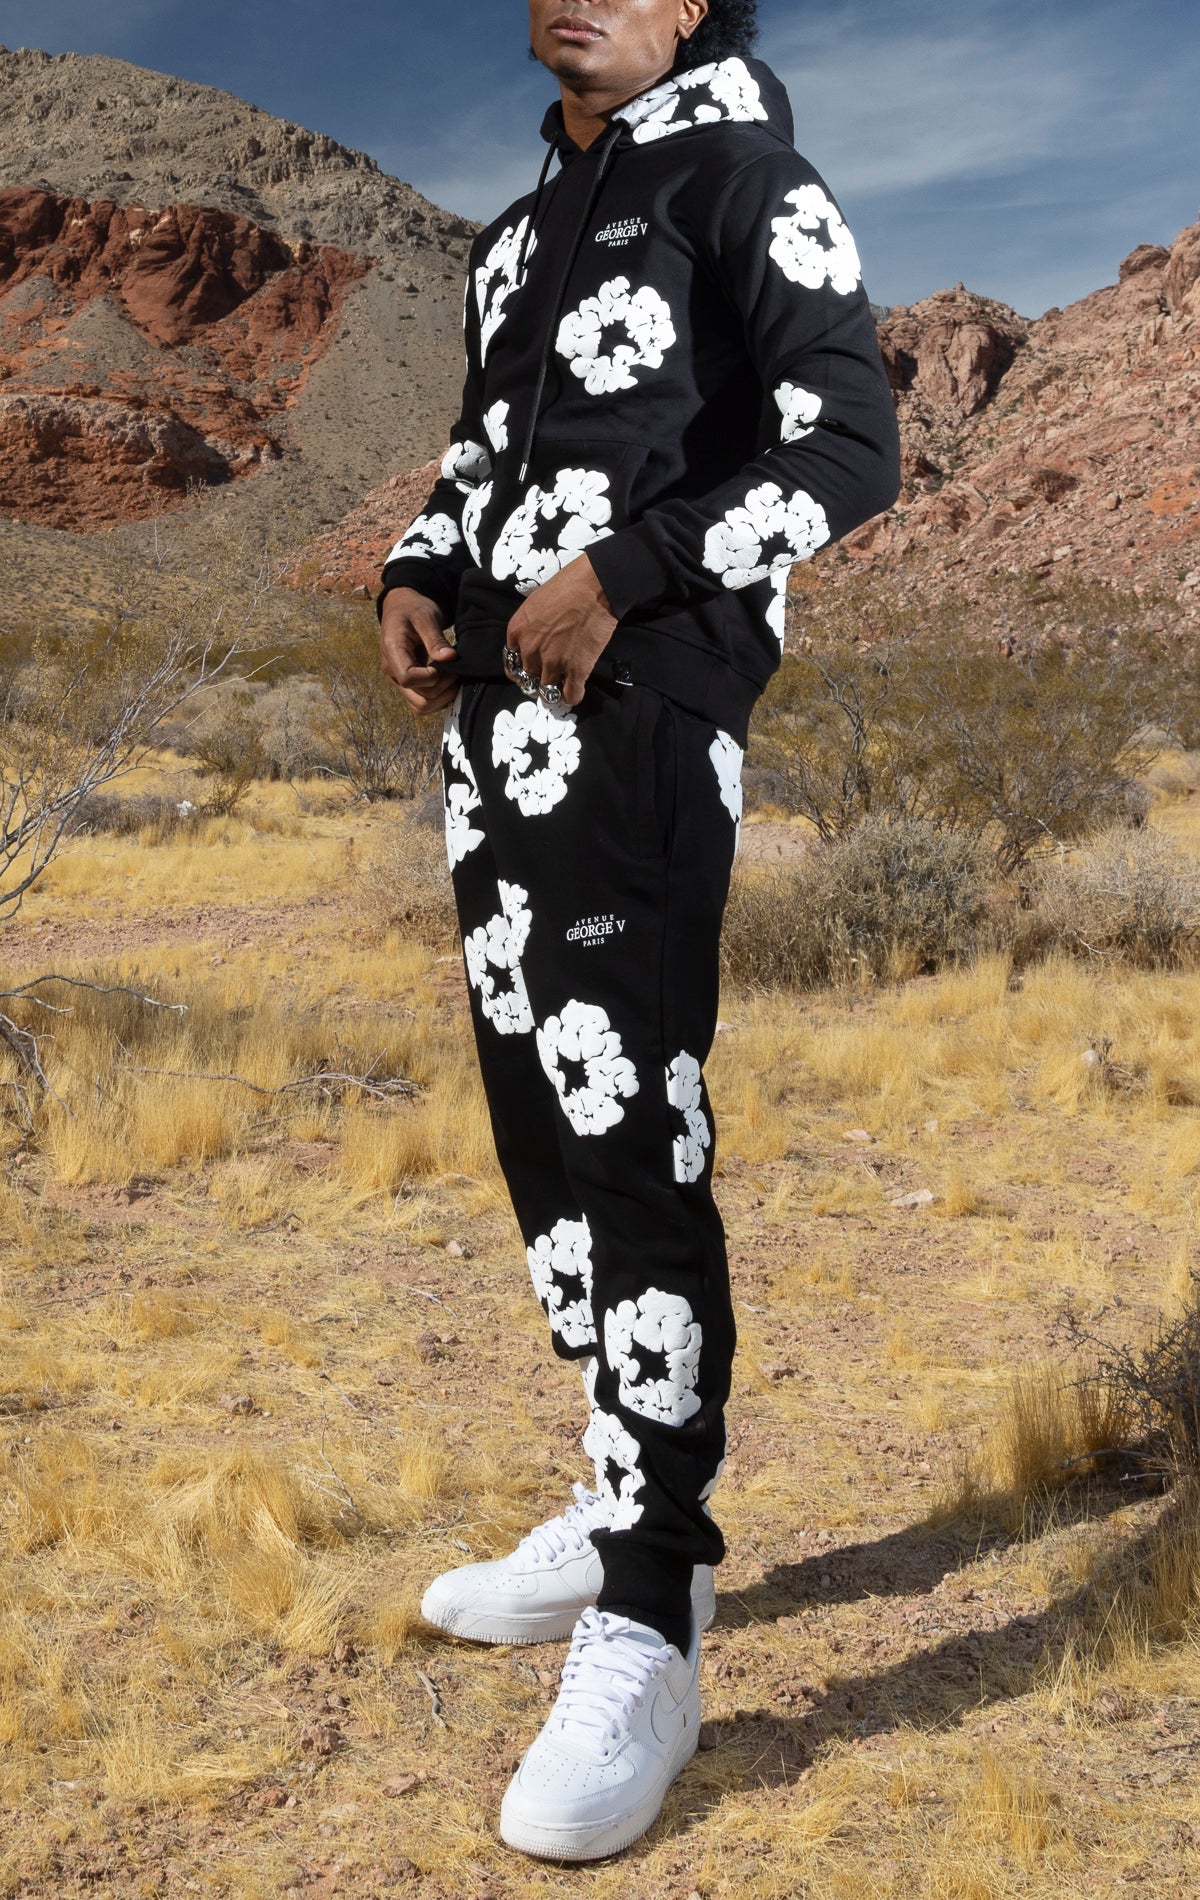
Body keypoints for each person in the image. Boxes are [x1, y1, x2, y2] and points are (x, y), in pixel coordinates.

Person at [377, 0, 900, 1861]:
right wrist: (419, 569)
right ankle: (616, 1499)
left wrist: (630, 573)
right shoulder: (512, 239)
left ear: (693, 6)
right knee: (542, 1122)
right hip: (495, 735)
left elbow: (851, 449)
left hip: (646, 717)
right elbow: (476, 456)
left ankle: (656, 1607)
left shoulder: (749, 180)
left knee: (631, 1129)